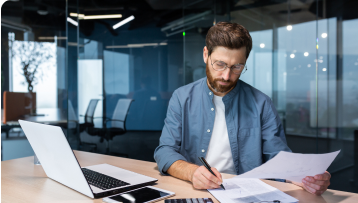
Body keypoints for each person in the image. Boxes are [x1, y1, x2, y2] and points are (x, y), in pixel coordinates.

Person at [154, 22, 331, 195]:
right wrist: (192, 172)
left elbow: (277, 158)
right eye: (220, 64)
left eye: (237, 67)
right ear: (206, 55)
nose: (226, 75)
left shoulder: (261, 103)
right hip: (194, 191)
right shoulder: (182, 97)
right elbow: (164, 151)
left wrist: (304, 176)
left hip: (245, 194)